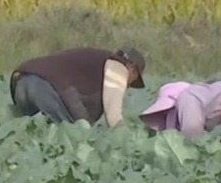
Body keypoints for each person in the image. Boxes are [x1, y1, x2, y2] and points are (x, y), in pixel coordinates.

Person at [9, 46, 147, 127]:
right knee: (70, 137)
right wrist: (126, 136)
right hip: (43, 88)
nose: (128, 86)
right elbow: (113, 117)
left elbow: (76, 105)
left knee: (35, 136)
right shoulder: (119, 67)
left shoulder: (95, 62)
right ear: (132, 69)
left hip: (21, 82)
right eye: (132, 81)